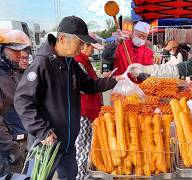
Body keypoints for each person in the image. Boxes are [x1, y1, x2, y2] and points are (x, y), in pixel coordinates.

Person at [14, 16, 121, 180]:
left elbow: (89, 85)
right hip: (47, 144)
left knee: (70, 176)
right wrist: (43, 131)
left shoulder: (70, 63)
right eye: (81, 42)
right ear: (63, 38)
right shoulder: (41, 64)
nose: (83, 47)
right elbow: (23, 101)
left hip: (68, 142)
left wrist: (114, 81)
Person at [0, 29, 31, 176]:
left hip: (22, 140)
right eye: (14, 51)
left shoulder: (14, 73)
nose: (19, 56)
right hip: (7, 149)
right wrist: (11, 148)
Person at [74, 32, 104, 179]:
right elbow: (88, 86)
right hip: (84, 112)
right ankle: (81, 176)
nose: (93, 50)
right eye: (90, 46)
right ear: (82, 46)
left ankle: (86, 174)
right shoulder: (78, 62)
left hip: (90, 111)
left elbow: (92, 81)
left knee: (88, 146)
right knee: (82, 148)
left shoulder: (85, 61)